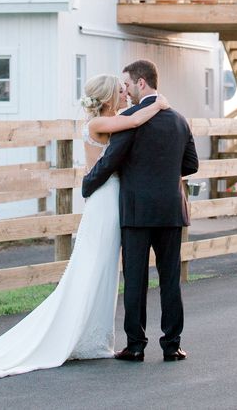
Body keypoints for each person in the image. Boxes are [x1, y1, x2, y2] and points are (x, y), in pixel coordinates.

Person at [0, 74, 170, 381]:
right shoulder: (96, 124)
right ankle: (73, 333)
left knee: (104, 270)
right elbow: (134, 122)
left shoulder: (112, 119)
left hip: (114, 196)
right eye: (119, 90)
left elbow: (130, 125)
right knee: (94, 266)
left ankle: (95, 337)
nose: (124, 93)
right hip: (105, 200)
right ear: (107, 97)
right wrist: (158, 104)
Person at [82, 59, 199, 363]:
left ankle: (136, 345)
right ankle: (172, 345)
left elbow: (111, 162)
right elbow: (191, 165)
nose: (127, 91)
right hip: (172, 209)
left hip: (136, 210)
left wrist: (87, 185)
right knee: (170, 278)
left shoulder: (131, 118)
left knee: (135, 279)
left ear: (141, 83)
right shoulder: (179, 119)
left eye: (128, 85)